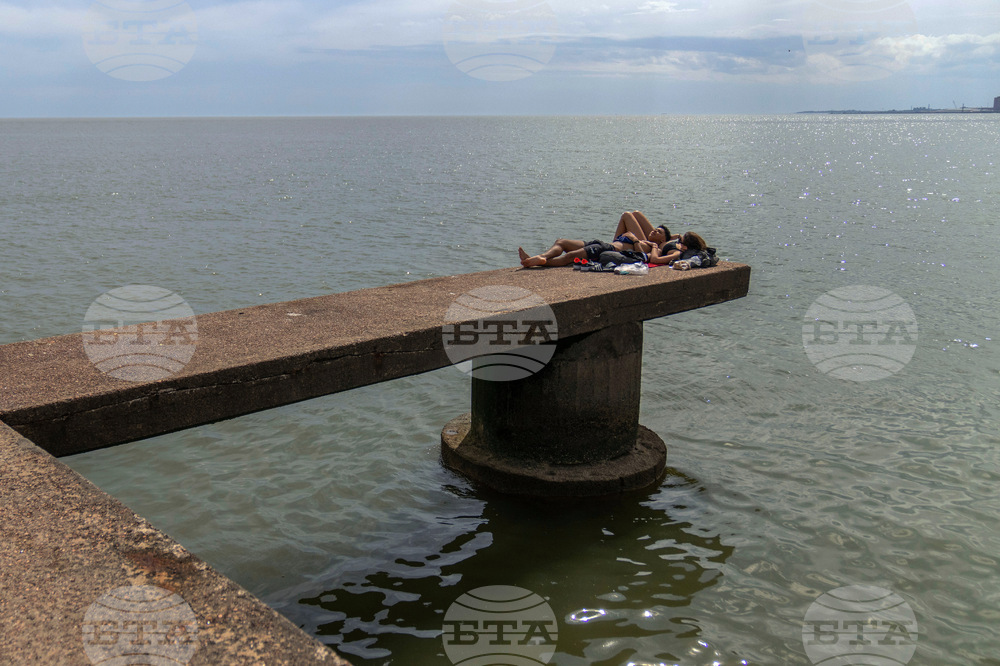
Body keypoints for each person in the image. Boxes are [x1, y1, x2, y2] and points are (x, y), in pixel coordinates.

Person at [518, 211, 674, 268]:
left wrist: (635, 241)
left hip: (608, 250)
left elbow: (643, 258)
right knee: (562, 242)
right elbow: (630, 215)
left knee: (569, 257)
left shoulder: (653, 246)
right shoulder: (643, 238)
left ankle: (536, 261)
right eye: (654, 229)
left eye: (658, 231)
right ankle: (542, 257)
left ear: (663, 240)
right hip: (603, 244)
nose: (654, 230)